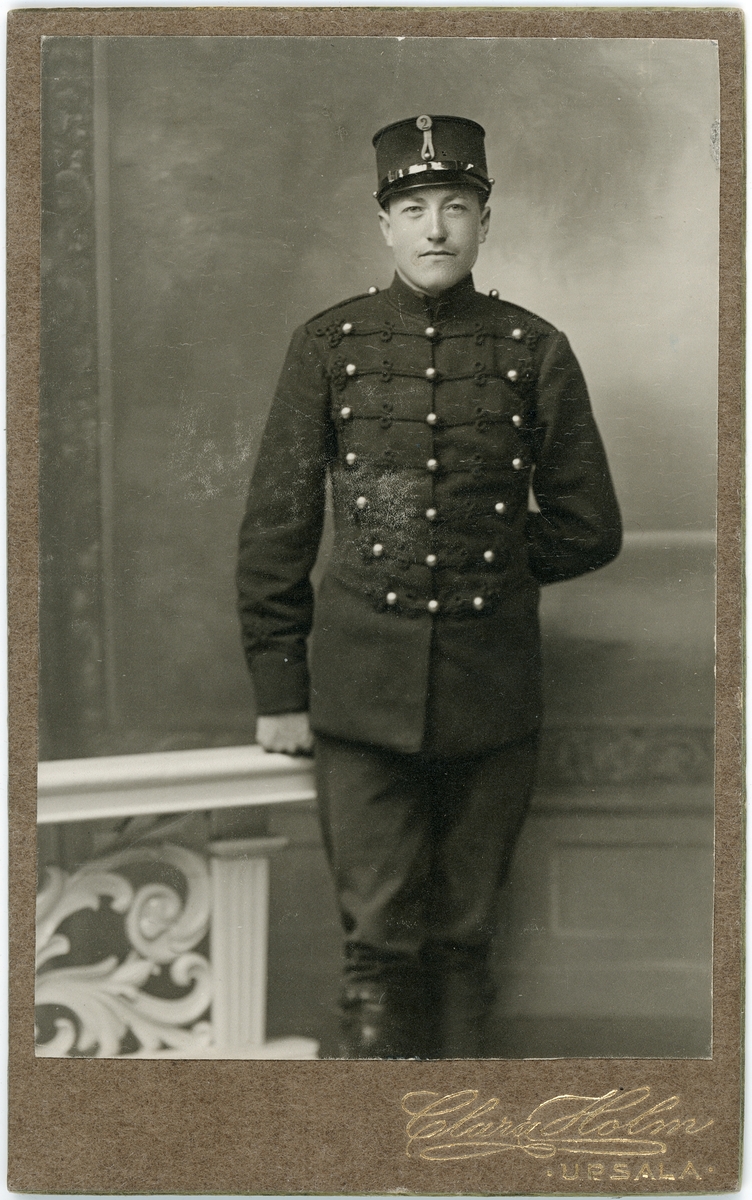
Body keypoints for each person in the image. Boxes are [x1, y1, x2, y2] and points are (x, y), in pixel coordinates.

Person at [237, 115, 622, 1058]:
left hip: (494, 692)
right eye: (414, 209)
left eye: (456, 206)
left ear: (486, 221)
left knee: (464, 941)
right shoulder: (328, 344)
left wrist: (483, 557)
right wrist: (280, 692)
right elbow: (279, 528)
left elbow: (589, 526)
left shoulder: (535, 348)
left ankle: (458, 1129)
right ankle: (377, 1131)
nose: (436, 228)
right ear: (385, 225)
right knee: (377, 950)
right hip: (358, 694)